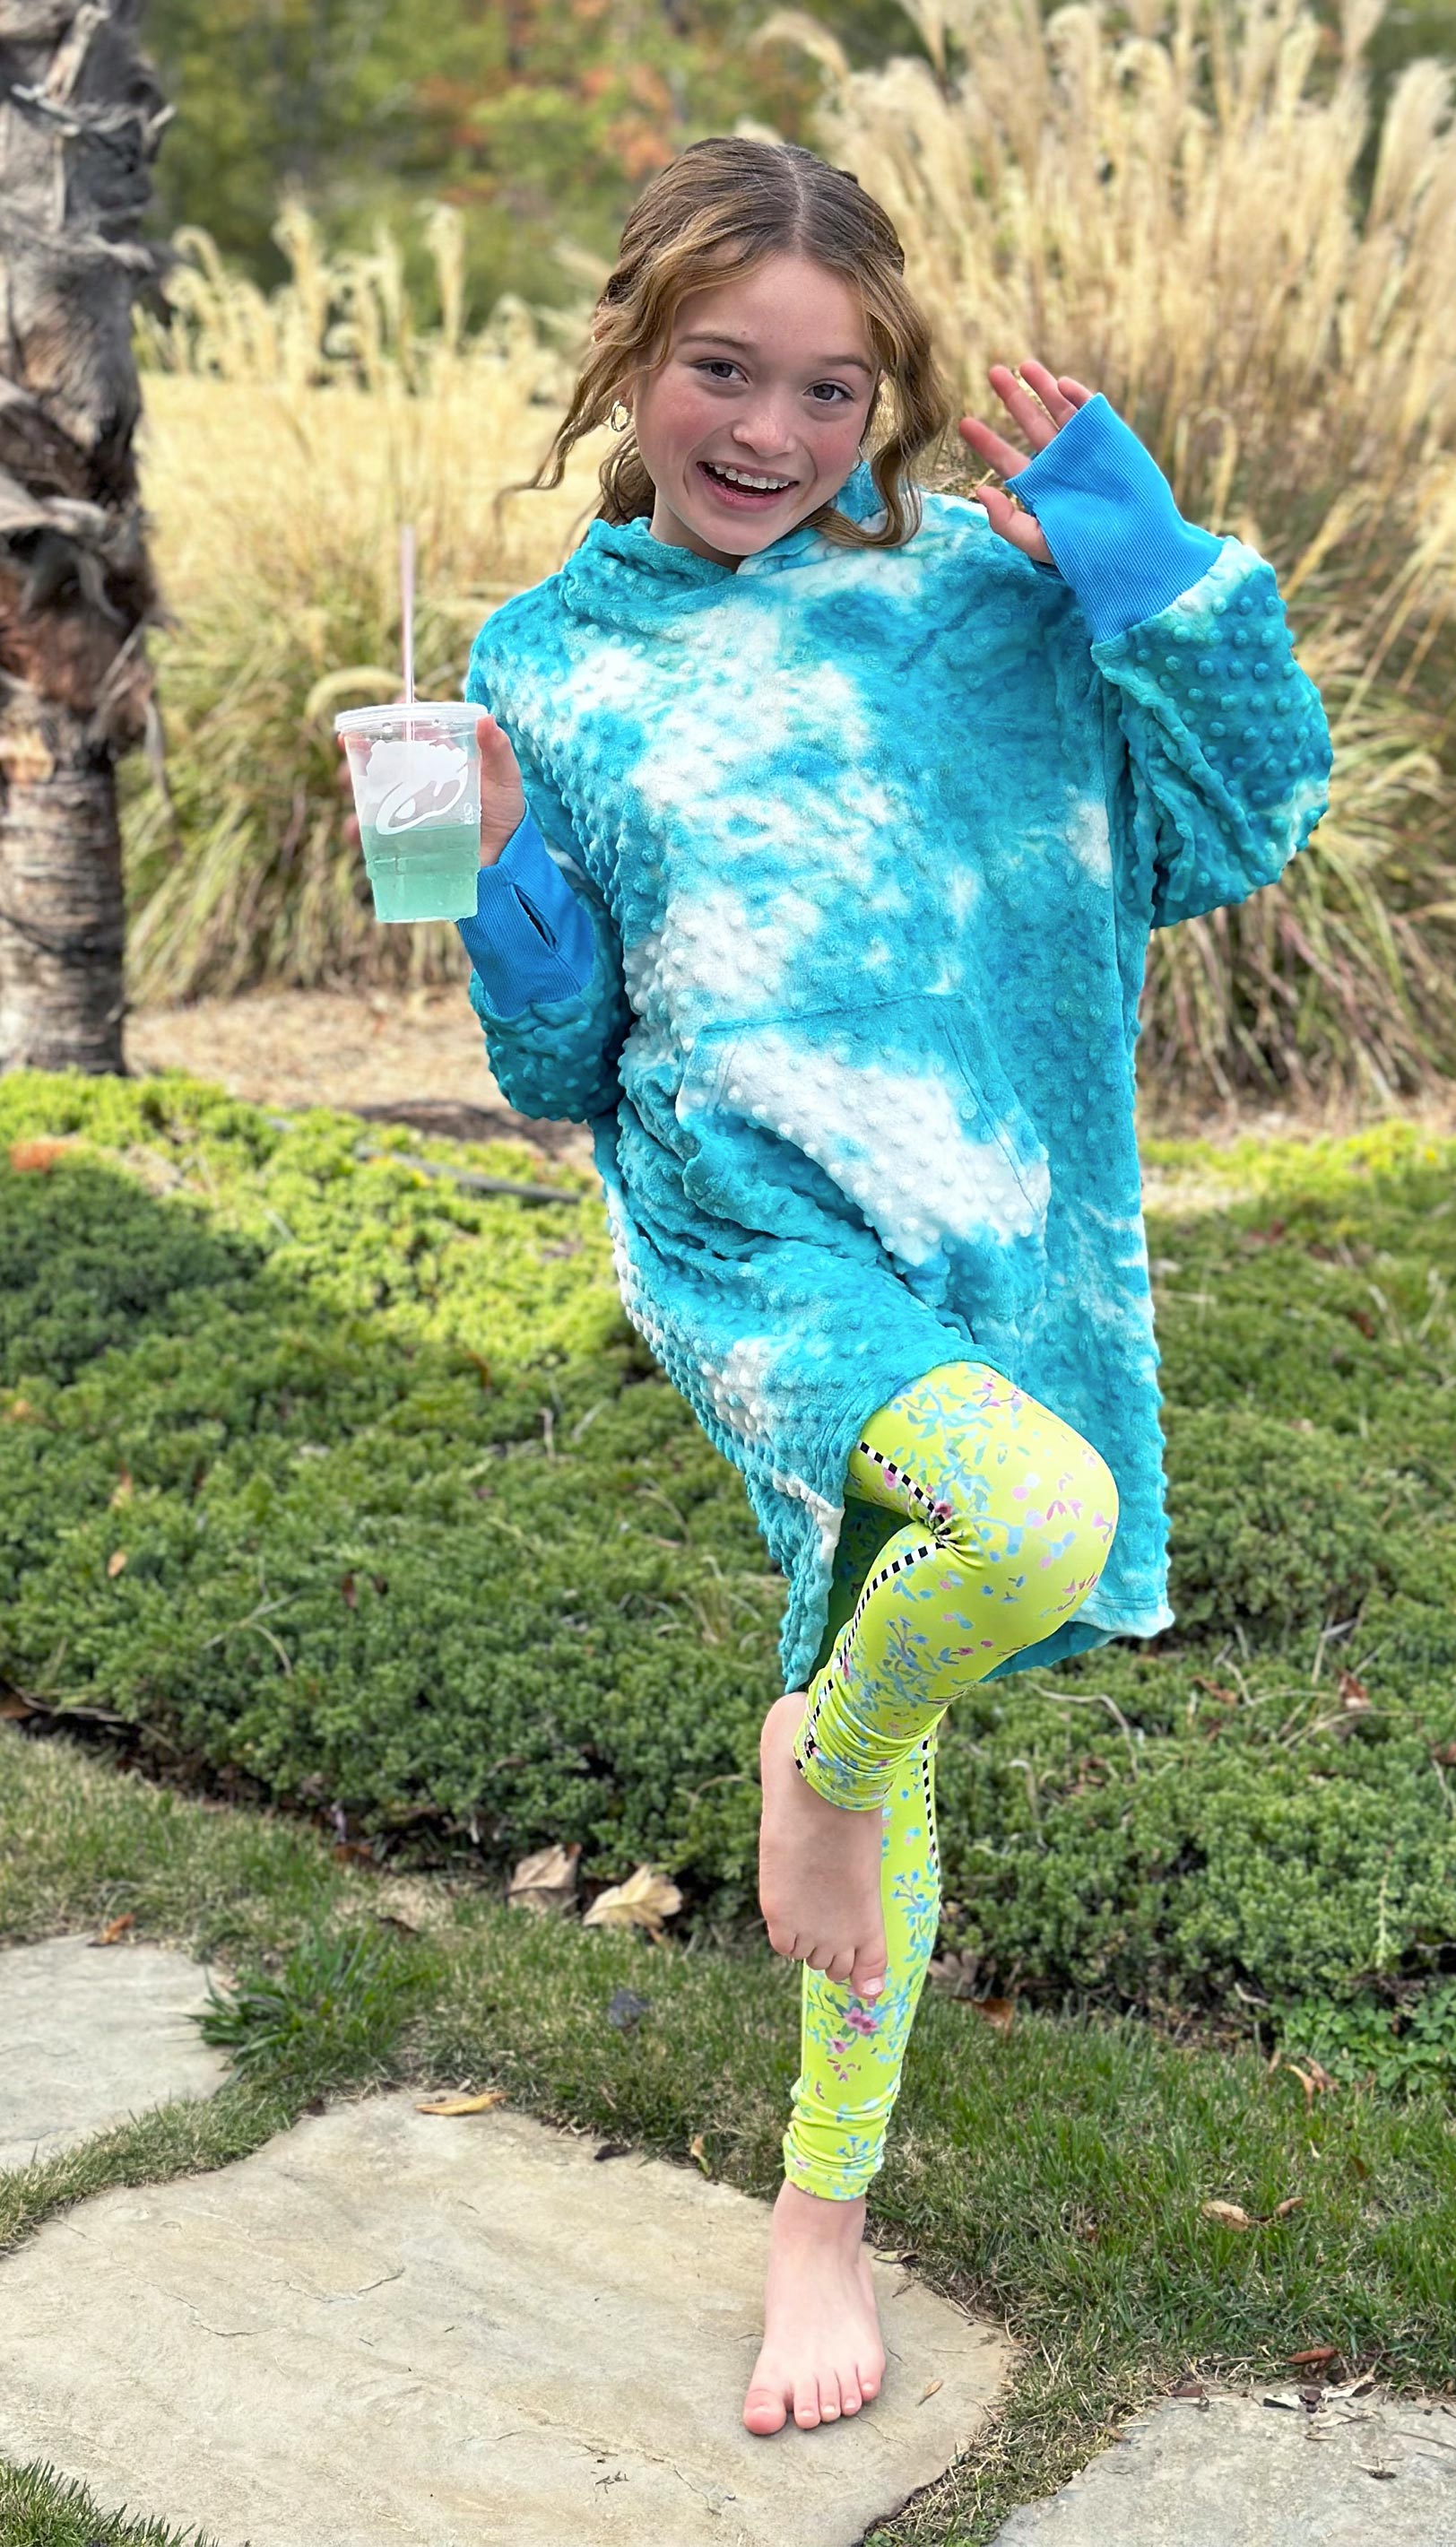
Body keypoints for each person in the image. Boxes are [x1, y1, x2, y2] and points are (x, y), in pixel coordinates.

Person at [436, 133, 1330, 2437]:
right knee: (1019, 1530)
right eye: (722, 370)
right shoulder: (546, 665)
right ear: (631, 355)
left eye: (831, 389)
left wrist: (1136, 560)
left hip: (995, 1234)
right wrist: (503, 875)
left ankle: (815, 2218)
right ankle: (816, 1766)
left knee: (911, 1690)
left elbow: (1242, 820)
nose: (772, 430)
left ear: (891, 395)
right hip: (752, 1248)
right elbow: (561, 1060)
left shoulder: (976, 590)